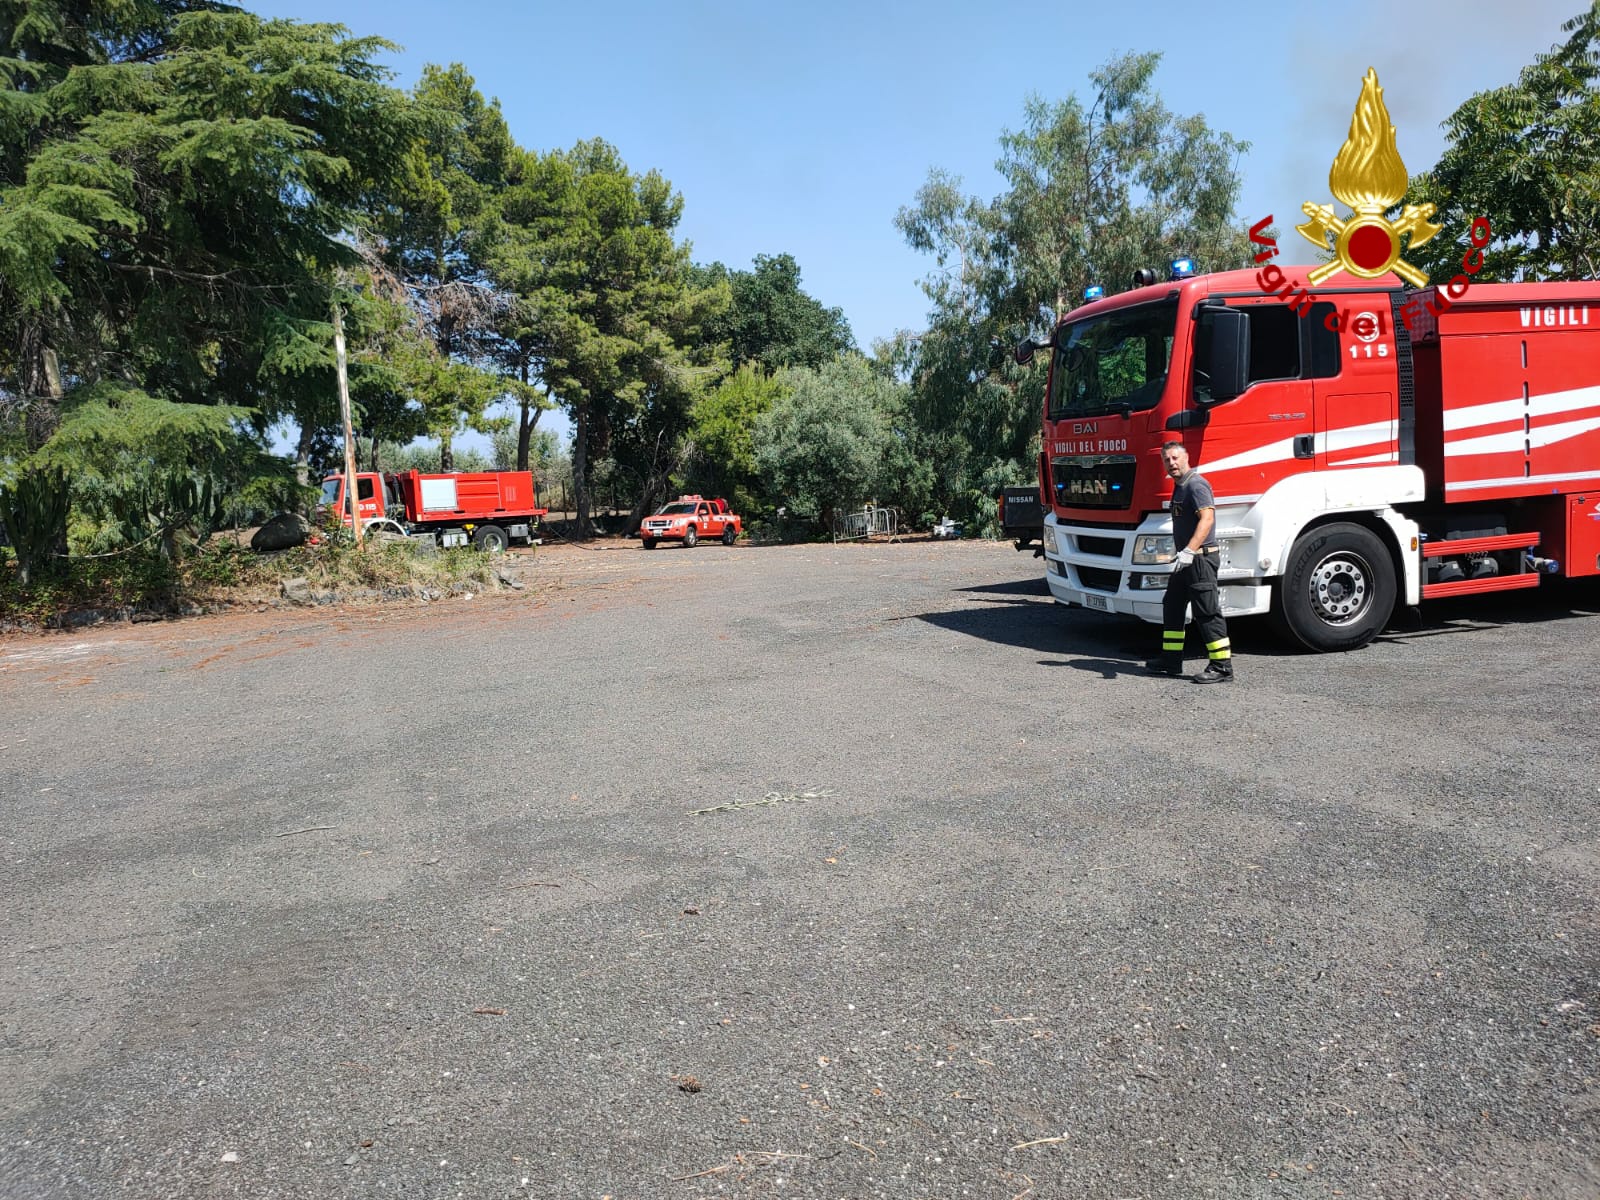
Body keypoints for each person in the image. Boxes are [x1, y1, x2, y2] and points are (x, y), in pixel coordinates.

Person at [1146, 441, 1232, 683]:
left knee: (1207, 612)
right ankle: (1171, 661)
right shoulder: (1180, 486)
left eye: (1175, 458)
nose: (1171, 463)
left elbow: (1207, 519)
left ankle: (1222, 667)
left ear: (1186, 458)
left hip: (1199, 558)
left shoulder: (1196, 485)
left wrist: (1189, 551)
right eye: (1167, 460)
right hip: (1186, 560)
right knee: (1172, 605)